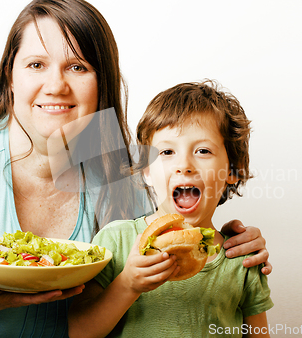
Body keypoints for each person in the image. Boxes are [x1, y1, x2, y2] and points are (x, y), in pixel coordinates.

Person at [0, 1, 271, 337]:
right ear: (10, 76)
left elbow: (162, 273)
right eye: (36, 65)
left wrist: (225, 242)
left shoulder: (123, 180)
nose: (56, 86)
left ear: (103, 83)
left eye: (78, 66)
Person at [68, 80, 273, 338]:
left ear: (233, 170)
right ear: (146, 170)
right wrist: (127, 285)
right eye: (166, 151)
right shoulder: (116, 241)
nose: (184, 165)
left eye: (202, 150)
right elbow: (79, 332)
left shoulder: (243, 258)